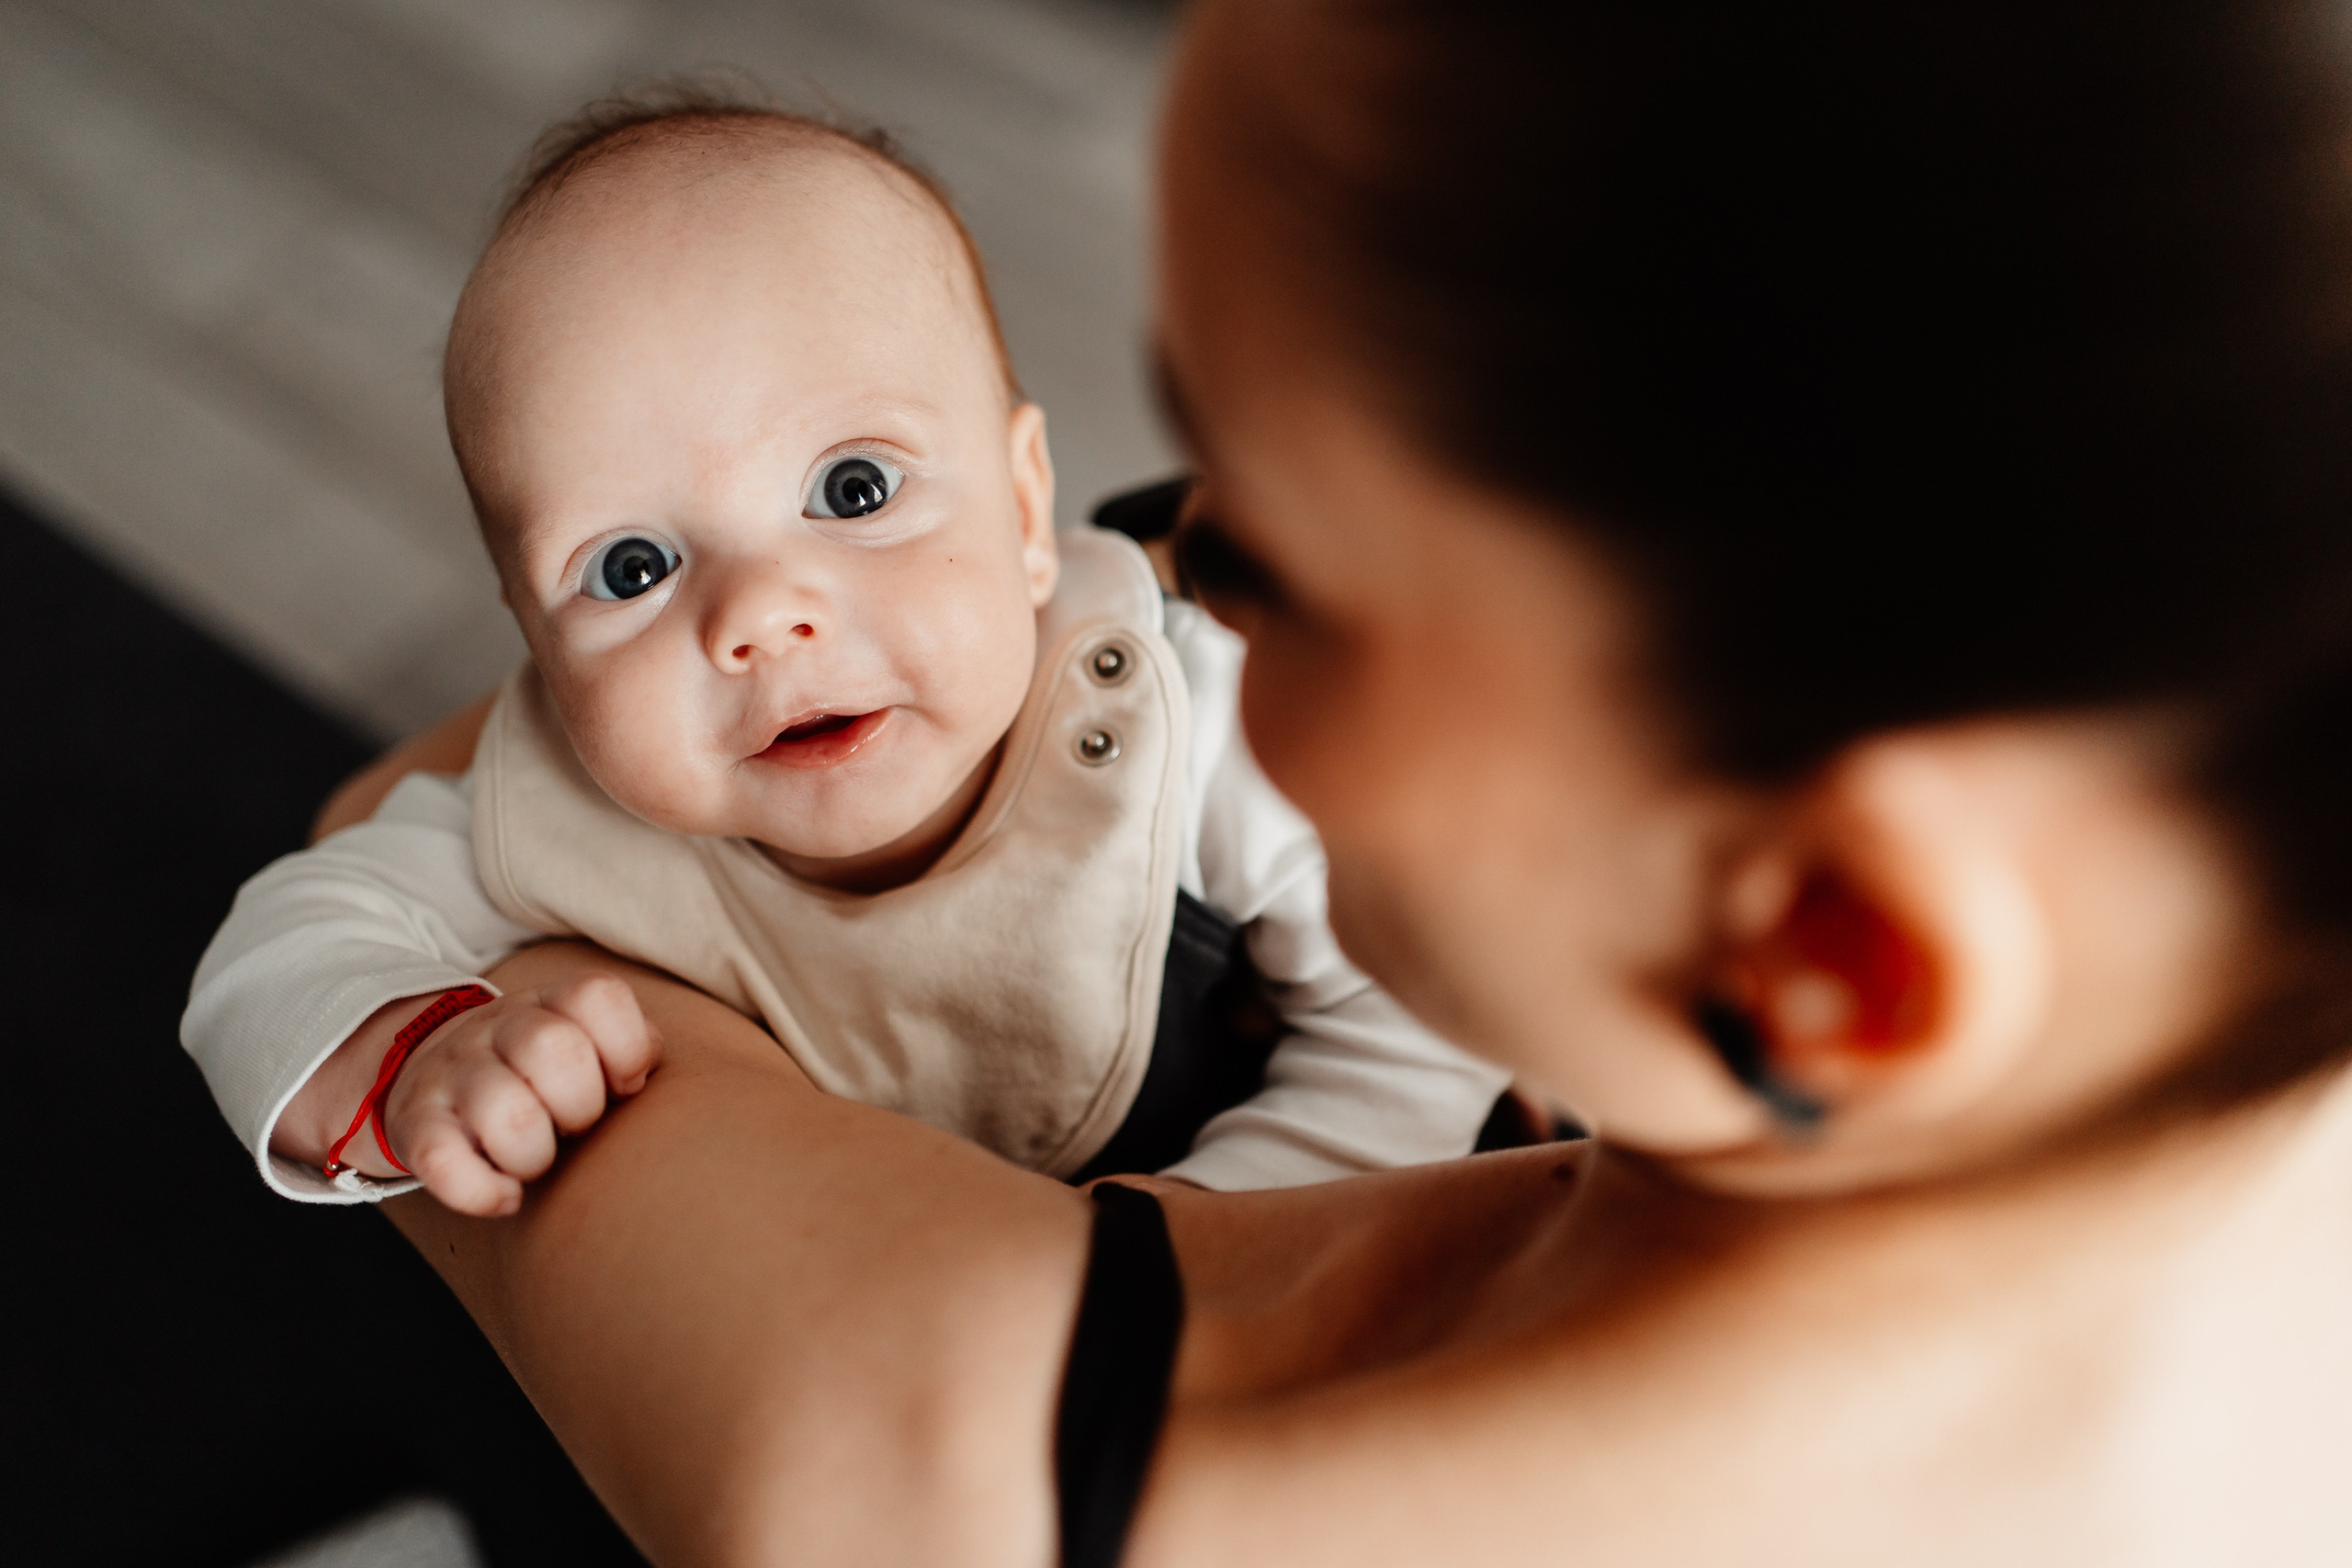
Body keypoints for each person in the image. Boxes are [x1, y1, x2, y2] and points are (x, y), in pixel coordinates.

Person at [320, 2, 2352, 1562]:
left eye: (1272, 564)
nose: (1159, 568)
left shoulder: (971, 1471)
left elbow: (376, 828)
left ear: (1828, 945)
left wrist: (489, 934)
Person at [179, 92, 1510, 1218]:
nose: (761, 614)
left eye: (856, 489)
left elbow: (1416, 1027)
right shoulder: (558, 814)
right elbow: (267, 959)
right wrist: (416, 1058)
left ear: (1028, 512)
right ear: (533, 643)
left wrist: (1203, 1256)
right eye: (632, 569)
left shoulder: (1194, 733)